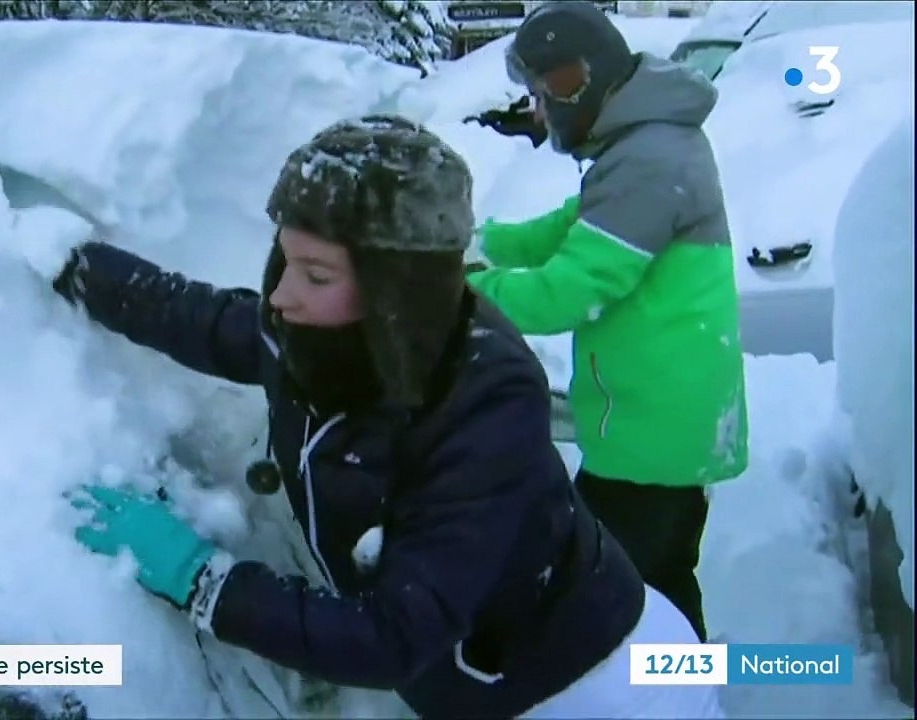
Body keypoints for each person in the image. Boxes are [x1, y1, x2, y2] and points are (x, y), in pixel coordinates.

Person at [58, 114, 723, 718]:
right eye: (284, 262)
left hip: (593, 688)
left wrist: (199, 579)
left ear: (395, 292)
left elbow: (391, 636)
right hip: (469, 683)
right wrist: (71, 263)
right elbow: (204, 319)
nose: (282, 296)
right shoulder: (312, 333)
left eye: (317, 276)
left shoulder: (483, 405)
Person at [463, 0, 749, 643]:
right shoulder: (645, 145)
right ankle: (685, 690)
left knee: (599, 587)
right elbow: (570, 226)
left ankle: (646, 691)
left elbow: (569, 291)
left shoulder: (650, 161)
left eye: (542, 94)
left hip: (652, 431)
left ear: (576, 81)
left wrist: (459, 292)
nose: (537, 111)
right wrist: (478, 243)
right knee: (661, 579)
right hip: (668, 420)